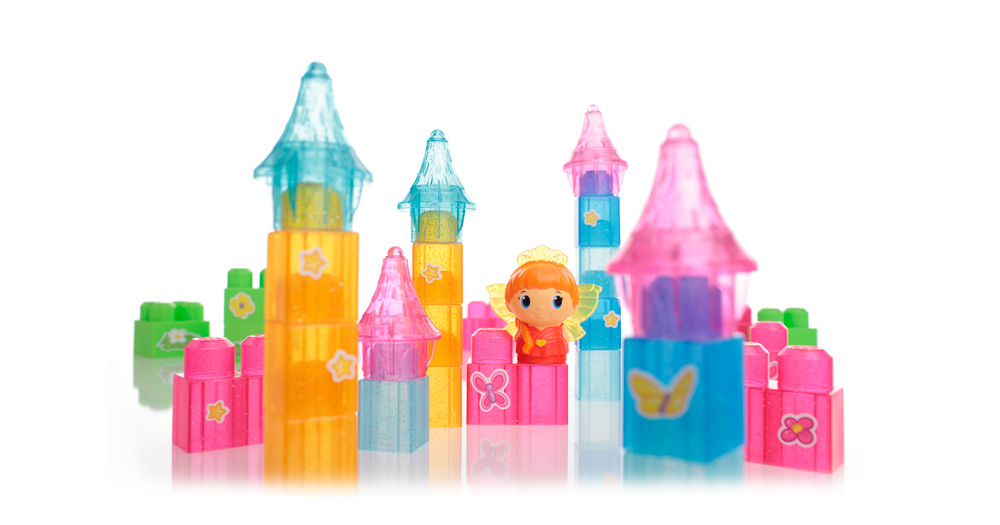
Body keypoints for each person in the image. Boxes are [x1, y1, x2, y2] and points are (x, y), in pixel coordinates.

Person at [487, 245, 601, 365]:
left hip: (557, 362)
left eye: (557, 301)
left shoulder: (560, 330)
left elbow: (565, 338)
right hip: (525, 363)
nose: (540, 308)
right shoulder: (522, 329)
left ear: (575, 305)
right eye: (525, 301)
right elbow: (516, 338)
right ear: (508, 304)